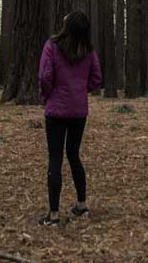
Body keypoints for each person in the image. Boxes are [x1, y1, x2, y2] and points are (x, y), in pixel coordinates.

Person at [37, 11, 102, 227]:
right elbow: (96, 78)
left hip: (56, 111)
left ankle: (53, 216)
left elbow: (45, 76)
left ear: (68, 26)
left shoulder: (52, 46)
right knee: (74, 155)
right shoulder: (88, 51)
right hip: (78, 112)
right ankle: (82, 205)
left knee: (55, 158)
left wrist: (48, 95)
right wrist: (79, 92)